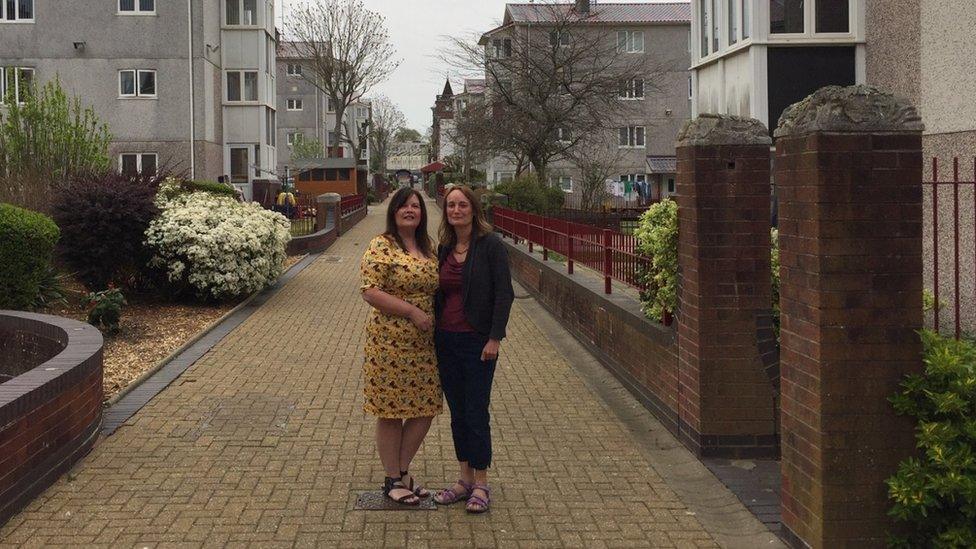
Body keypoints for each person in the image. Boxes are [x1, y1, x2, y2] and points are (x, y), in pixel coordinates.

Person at [432, 185, 514, 514]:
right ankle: (463, 478)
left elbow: (504, 294)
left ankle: (481, 482)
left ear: (473, 209)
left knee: (476, 412)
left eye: (462, 204)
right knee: (458, 413)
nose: (456, 210)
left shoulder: (491, 245)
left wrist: (495, 338)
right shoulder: (444, 248)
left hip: (478, 342)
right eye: (451, 205)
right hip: (446, 341)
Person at [360, 187, 441, 506]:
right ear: (393, 211)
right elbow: (369, 291)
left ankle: (402, 471)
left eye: (416, 206)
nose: (411, 210)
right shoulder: (381, 244)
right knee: (391, 411)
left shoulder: (428, 247)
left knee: (426, 406)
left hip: (424, 343)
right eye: (404, 205)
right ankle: (393, 478)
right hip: (388, 341)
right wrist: (411, 311)